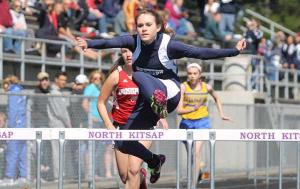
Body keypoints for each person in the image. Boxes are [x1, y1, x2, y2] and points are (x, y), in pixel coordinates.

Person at [76, 8, 246, 183]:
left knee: (139, 75)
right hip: (148, 101)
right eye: (140, 25)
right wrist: (88, 43)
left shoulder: (169, 45)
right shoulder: (134, 42)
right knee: (122, 141)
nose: (143, 29)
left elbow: (200, 52)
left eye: (148, 25)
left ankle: (159, 103)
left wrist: (233, 51)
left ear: (158, 27)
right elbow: (110, 42)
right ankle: (154, 160)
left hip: (169, 94)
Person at [98, 48, 163, 188]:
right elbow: (100, 102)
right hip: (121, 128)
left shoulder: (147, 74)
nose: (128, 55)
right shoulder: (116, 75)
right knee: (124, 175)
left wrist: (160, 115)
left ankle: (140, 171)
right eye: (124, 51)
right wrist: (109, 126)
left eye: (132, 51)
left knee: (132, 169)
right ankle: (142, 176)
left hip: (143, 127)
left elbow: (158, 97)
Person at [177, 63, 231, 182]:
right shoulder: (183, 87)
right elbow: (179, 111)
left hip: (202, 122)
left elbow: (217, 98)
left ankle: (193, 183)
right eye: (190, 73)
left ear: (200, 74)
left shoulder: (207, 87)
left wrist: (221, 114)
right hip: (186, 122)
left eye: (195, 73)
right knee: (191, 154)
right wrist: (193, 108)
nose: (192, 76)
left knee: (196, 152)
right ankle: (199, 171)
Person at [2, 75, 27, 185]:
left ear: (8, 83)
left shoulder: (13, 92)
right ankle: (23, 176)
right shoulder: (22, 92)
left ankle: (9, 177)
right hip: (23, 125)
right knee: (22, 151)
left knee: (12, 151)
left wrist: (10, 127)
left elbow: (12, 111)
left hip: (15, 127)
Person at [48, 71, 71, 180]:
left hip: (61, 126)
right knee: (57, 152)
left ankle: (61, 174)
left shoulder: (58, 92)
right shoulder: (55, 93)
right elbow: (61, 113)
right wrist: (69, 125)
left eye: (65, 80)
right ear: (56, 79)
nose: (64, 82)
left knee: (60, 151)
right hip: (57, 126)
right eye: (62, 80)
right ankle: (58, 176)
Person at [32, 72, 52, 181]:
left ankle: (43, 176)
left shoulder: (49, 92)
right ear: (39, 82)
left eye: (46, 79)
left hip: (48, 125)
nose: (44, 82)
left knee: (45, 150)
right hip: (39, 125)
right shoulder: (36, 92)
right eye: (42, 80)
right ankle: (37, 176)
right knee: (39, 150)